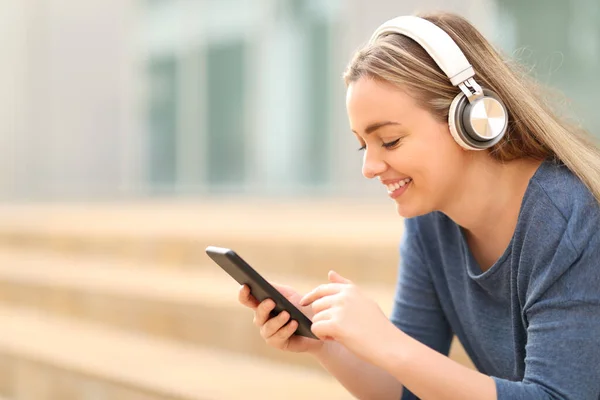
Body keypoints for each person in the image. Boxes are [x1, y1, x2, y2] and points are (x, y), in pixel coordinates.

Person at [238, 11, 600, 400]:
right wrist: (325, 342)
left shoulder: (567, 218)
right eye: (364, 144)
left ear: (474, 119)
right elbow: (410, 389)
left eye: (389, 141)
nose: (369, 167)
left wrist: (386, 342)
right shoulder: (431, 219)